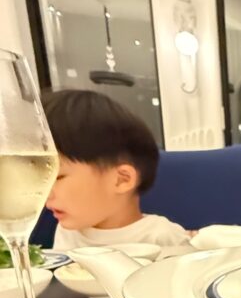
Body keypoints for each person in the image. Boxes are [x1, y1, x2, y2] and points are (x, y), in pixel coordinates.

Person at [43, 89, 189, 250]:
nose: (44, 193)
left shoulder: (161, 236)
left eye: (58, 177)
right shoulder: (66, 232)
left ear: (122, 179)